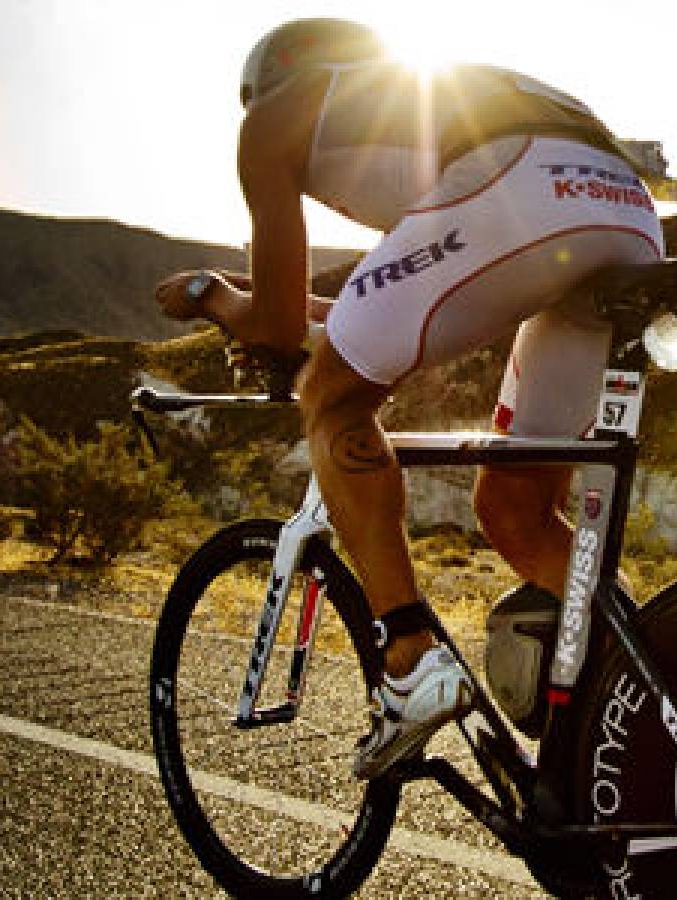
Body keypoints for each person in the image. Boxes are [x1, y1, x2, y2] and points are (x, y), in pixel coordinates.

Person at [155, 18, 665, 780]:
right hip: (625, 213)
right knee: (515, 514)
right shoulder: (441, 96)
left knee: (333, 402)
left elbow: (278, 329)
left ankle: (408, 659)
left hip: (511, 185)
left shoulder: (275, 115)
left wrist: (211, 294)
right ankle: (629, 697)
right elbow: (373, 308)